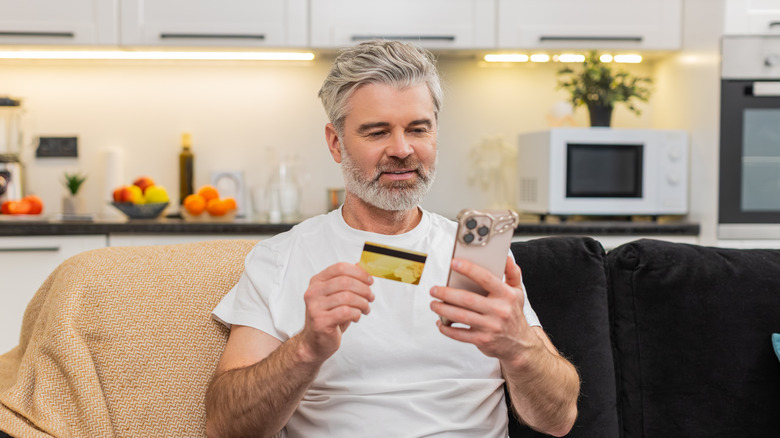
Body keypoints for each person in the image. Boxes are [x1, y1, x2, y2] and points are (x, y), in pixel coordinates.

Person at [205, 40, 580, 438]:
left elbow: (559, 420)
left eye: (418, 129)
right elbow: (224, 427)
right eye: (377, 131)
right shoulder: (280, 259)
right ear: (336, 143)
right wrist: (306, 348)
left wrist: (518, 344)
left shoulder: (478, 255)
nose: (402, 150)